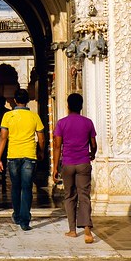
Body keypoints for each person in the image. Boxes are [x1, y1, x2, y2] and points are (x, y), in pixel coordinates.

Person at [0, 88, 44, 231]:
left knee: (15, 187)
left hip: (13, 155)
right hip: (29, 155)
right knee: (27, 187)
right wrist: (41, 152)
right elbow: (41, 138)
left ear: (15, 100)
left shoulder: (8, 116)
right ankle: (25, 220)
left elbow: (3, 138)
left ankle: (17, 215)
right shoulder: (34, 116)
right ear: (27, 100)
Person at [52, 93, 98, 243]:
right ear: (81, 106)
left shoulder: (62, 123)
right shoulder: (88, 122)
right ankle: (87, 229)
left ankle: (72, 230)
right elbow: (94, 144)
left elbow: (58, 146)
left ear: (68, 105)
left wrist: (55, 167)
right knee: (84, 196)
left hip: (68, 164)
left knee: (69, 196)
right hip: (84, 162)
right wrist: (92, 154)